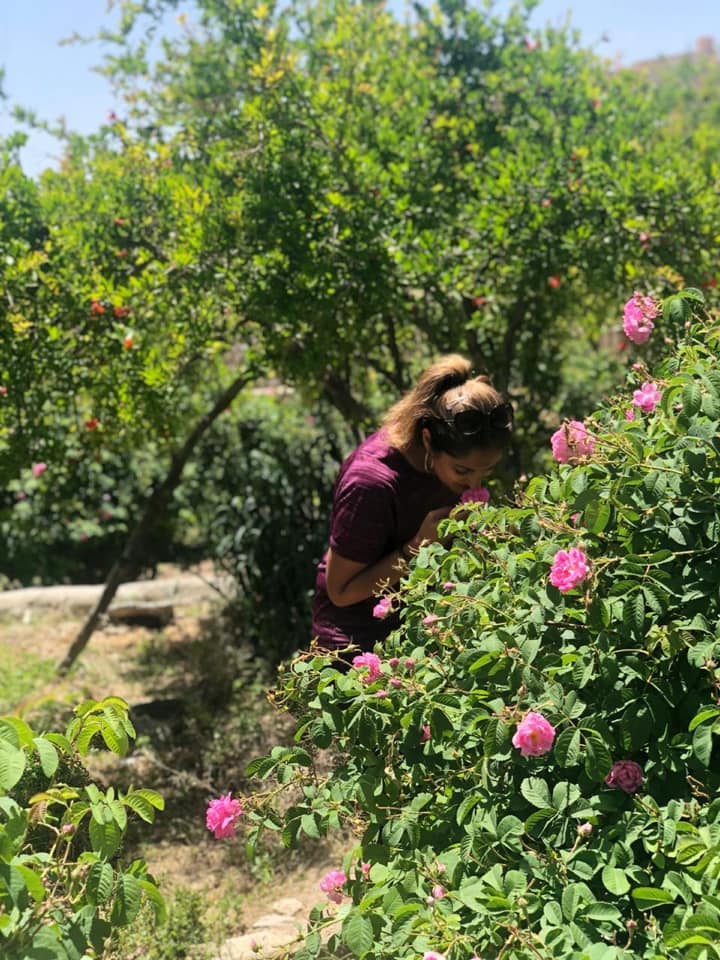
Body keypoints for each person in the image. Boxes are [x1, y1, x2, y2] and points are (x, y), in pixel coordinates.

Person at [311, 354, 514, 654]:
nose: (475, 485)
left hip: (421, 633)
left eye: (486, 472)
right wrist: (418, 547)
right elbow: (340, 591)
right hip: (354, 648)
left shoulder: (447, 461)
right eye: (463, 471)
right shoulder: (370, 483)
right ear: (428, 439)